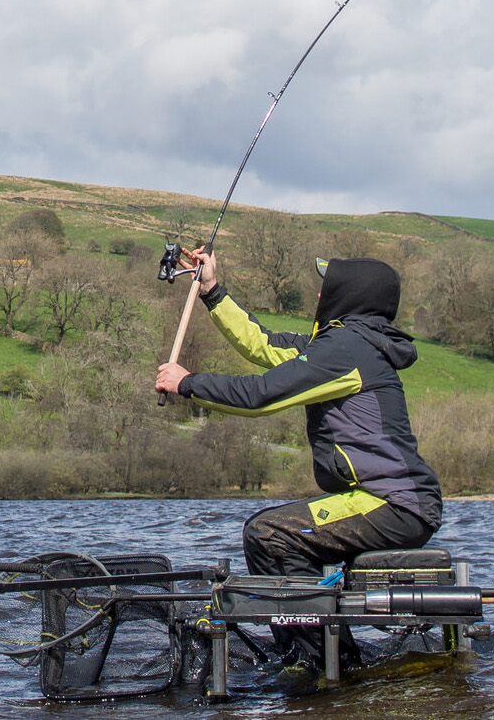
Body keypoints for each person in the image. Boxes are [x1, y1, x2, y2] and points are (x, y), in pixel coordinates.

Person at [154, 247, 442, 677]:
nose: (320, 293)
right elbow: (264, 345)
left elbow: (260, 396)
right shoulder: (338, 346)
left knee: (270, 535)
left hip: (396, 505)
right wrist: (211, 290)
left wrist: (189, 383)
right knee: (273, 535)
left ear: (348, 295)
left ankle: (324, 664)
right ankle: (318, 657)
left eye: (327, 286)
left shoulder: (346, 350)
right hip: (391, 502)